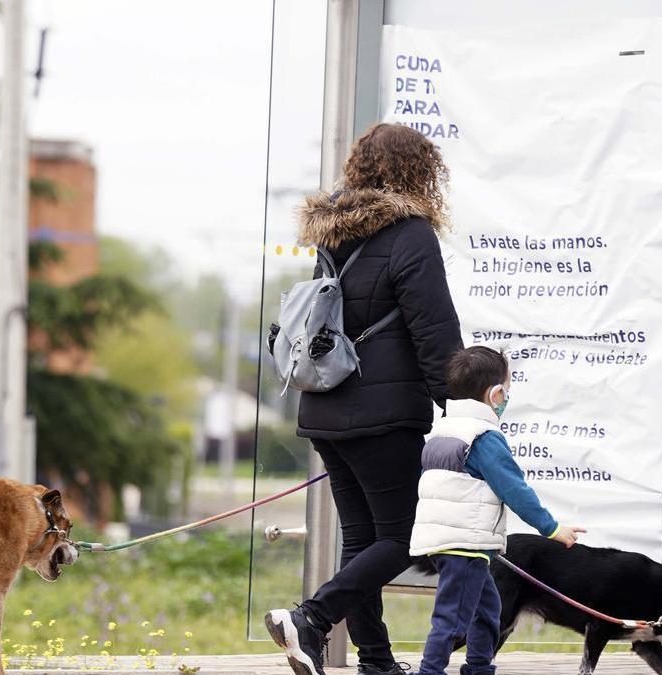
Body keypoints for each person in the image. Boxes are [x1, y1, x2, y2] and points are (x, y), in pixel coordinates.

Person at [264, 123, 464, 675]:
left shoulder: (333, 234)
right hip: (384, 414)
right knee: (404, 537)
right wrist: (459, 396)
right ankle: (311, 619)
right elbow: (434, 329)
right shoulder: (411, 234)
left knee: (364, 539)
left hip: (324, 407)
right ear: (419, 172)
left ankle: (376, 660)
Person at [410, 346, 584, 675]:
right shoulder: (484, 438)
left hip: (448, 540)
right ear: (496, 393)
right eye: (507, 391)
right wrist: (551, 528)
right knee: (452, 617)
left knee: (487, 609)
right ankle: (430, 671)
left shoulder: (441, 432)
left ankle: (479, 666)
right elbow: (514, 490)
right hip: (466, 544)